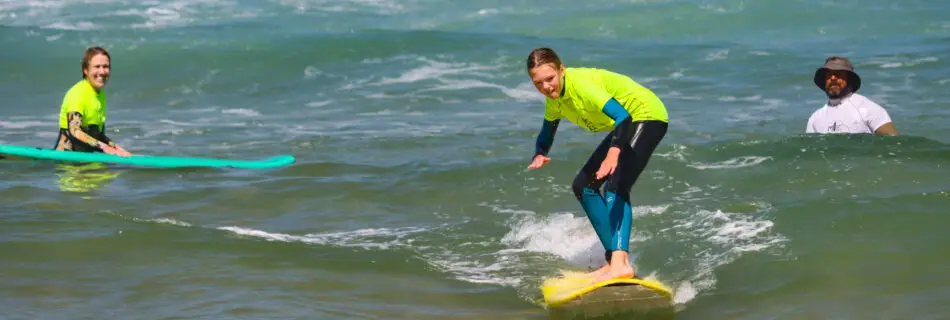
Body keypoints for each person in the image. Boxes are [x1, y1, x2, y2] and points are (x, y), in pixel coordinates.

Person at [525, 47, 669, 284]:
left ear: (562, 70)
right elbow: (547, 130)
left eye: (550, 79)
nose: (546, 87)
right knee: (584, 186)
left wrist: (614, 152)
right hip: (627, 123)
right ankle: (614, 260)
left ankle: (620, 264)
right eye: (538, 83)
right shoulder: (555, 99)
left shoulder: (582, 85)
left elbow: (623, 116)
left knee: (616, 185)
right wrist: (540, 153)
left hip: (645, 114)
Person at [53, 46, 132, 156]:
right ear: (85, 70)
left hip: (88, 160)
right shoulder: (77, 93)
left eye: (106, 66)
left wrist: (119, 150)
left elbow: (97, 136)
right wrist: (105, 148)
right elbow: (75, 131)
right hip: (68, 165)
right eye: (97, 67)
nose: (102, 71)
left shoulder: (100, 95)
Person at [806, 56, 898, 135]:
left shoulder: (867, 109)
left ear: (849, 80)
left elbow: (895, 144)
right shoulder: (815, 118)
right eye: (829, 75)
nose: (833, 78)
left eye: (838, 74)